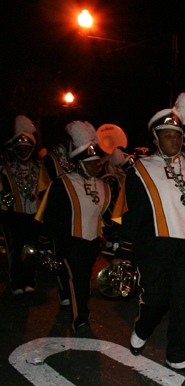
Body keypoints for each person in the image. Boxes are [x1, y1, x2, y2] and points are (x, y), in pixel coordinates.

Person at [111, 93, 185, 370]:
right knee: (155, 300)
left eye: (178, 135)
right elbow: (132, 215)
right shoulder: (140, 170)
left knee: (184, 301)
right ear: (155, 138)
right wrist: (124, 252)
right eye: (168, 135)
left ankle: (177, 353)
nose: (175, 140)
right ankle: (143, 328)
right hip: (154, 248)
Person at [36, 122, 112, 332]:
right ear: (79, 164)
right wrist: (44, 243)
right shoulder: (63, 183)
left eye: (97, 163)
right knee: (78, 279)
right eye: (90, 164)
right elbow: (51, 216)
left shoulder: (104, 185)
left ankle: (78, 308)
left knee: (84, 279)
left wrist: (115, 237)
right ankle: (80, 318)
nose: (95, 167)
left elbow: (106, 215)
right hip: (69, 241)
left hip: (91, 242)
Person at [1, 116, 42, 295]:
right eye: (20, 148)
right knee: (16, 250)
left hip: (34, 215)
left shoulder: (39, 168)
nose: (23, 151)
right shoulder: (5, 169)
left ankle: (29, 280)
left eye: (26, 148)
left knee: (32, 250)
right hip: (14, 215)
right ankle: (16, 282)